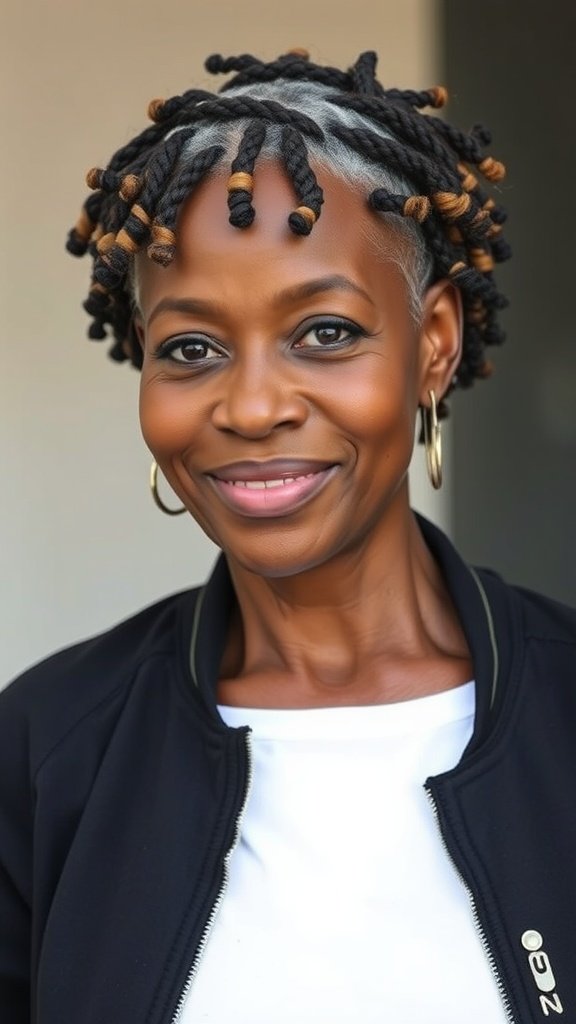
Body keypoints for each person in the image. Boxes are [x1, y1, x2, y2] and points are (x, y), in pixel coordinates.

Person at [1, 48, 574, 1024]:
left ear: (432, 342)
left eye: (325, 332)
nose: (253, 405)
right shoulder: (48, 747)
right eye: (191, 348)